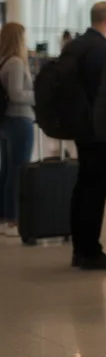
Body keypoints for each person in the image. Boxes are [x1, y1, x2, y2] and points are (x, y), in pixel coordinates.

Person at [65, 2, 106, 269]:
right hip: (100, 131)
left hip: (81, 127)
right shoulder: (101, 50)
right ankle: (90, 251)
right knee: (96, 190)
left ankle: (81, 248)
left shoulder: (76, 46)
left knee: (84, 186)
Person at [0, 23, 35, 238]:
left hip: (6, 122)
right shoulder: (15, 63)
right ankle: (13, 219)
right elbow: (16, 94)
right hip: (19, 120)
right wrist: (37, 95)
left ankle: (5, 217)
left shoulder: (3, 61)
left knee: (7, 169)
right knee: (18, 171)